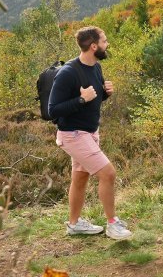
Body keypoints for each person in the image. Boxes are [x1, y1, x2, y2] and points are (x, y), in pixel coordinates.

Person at [48, 26, 132, 240]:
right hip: (72, 135)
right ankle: (113, 224)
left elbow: (92, 99)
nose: (107, 44)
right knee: (108, 173)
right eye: (104, 41)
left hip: (89, 132)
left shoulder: (96, 67)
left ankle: (74, 224)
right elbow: (53, 110)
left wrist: (105, 94)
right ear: (93, 46)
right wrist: (81, 99)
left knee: (80, 178)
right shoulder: (68, 72)